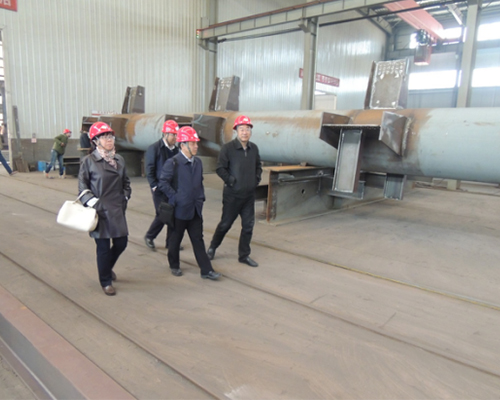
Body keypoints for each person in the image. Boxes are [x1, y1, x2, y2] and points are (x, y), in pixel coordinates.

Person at [158, 126, 221, 280]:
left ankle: (206, 270)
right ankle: (174, 265)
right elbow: (163, 183)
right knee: (175, 239)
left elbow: (199, 182)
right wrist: (176, 198)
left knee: (198, 240)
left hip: (195, 209)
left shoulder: (198, 163)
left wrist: (200, 198)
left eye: (196, 143)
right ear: (183, 145)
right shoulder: (173, 163)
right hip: (179, 210)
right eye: (192, 143)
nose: (196, 146)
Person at [78, 122, 131, 296]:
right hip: (99, 211)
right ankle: (106, 281)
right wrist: (95, 204)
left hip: (117, 209)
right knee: (103, 248)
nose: (109, 140)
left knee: (121, 243)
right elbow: (82, 188)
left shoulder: (119, 160)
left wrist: (125, 196)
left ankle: (107, 267)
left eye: (111, 137)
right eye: (105, 137)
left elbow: (126, 182)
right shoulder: (89, 161)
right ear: (95, 141)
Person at [207, 115, 262, 267]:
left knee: (248, 227)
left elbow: (258, 166)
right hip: (232, 196)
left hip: (248, 196)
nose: (245, 132)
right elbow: (220, 168)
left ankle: (244, 255)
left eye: (247, 129)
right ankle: (212, 247)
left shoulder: (254, 149)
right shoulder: (228, 149)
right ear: (236, 131)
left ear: (250, 131)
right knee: (225, 224)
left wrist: (255, 180)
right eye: (242, 129)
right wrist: (232, 181)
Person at [144, 120, 181, 250]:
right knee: (163, 214)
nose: (175, 138)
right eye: (173, 135)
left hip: (172, 188)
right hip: (159, 188)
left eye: (176, 135)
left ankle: (170, 242)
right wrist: (154, 186)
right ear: (165, 134)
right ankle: (150, 236)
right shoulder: (154, 148)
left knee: (174, 214)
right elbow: (149, 168)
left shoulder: (176, 150)